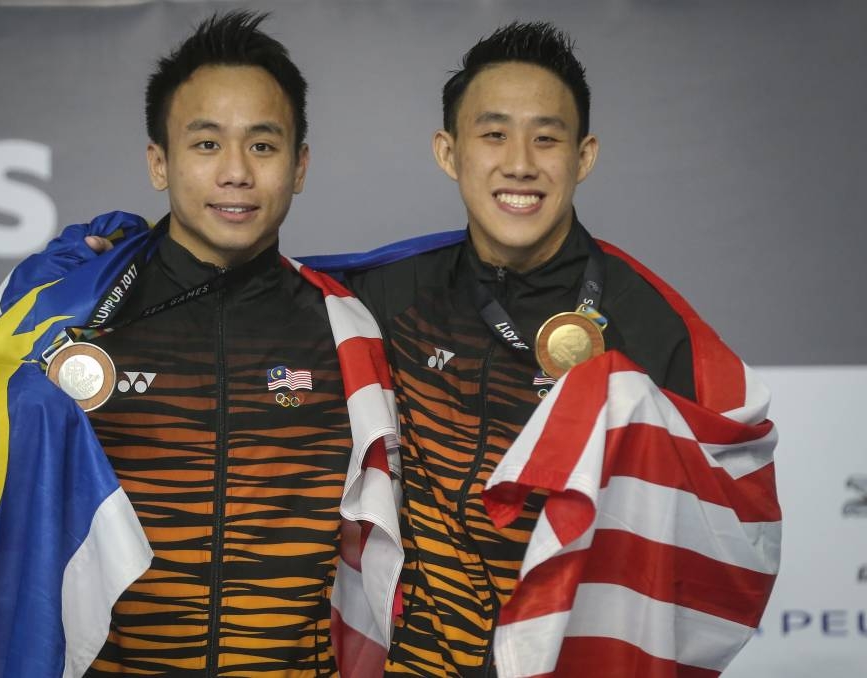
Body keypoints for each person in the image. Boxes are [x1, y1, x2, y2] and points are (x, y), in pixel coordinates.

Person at [0, 11, 400, 678]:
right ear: (160, 162)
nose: (236, 172)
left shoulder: (349, 329)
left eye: (263, 146)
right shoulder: (71, 318)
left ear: (299, 165)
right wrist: (32, 319)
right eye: (206, 144)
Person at [322, 21, 779, 677]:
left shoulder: (650, 325)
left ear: (583, 156)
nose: (520, 163)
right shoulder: (385, 297)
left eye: (546, 138)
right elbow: (246, 299)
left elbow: (727, 531)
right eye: (493, 134)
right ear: (449, 152)